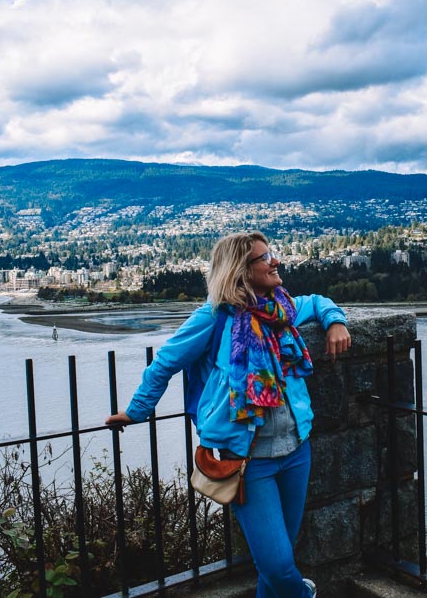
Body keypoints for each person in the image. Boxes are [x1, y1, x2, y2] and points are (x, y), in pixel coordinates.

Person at [105, 231, 351, 598]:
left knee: (276, 563)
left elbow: (317, 302)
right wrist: (136, 412)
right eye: (265, 258)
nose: (275, 262)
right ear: (240, 270)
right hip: (250, 462)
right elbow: (164, 364)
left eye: (273, 254)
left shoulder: (280, 308)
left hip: (297, 450)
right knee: (279, 565)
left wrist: (336, 321)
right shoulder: (214, 318)